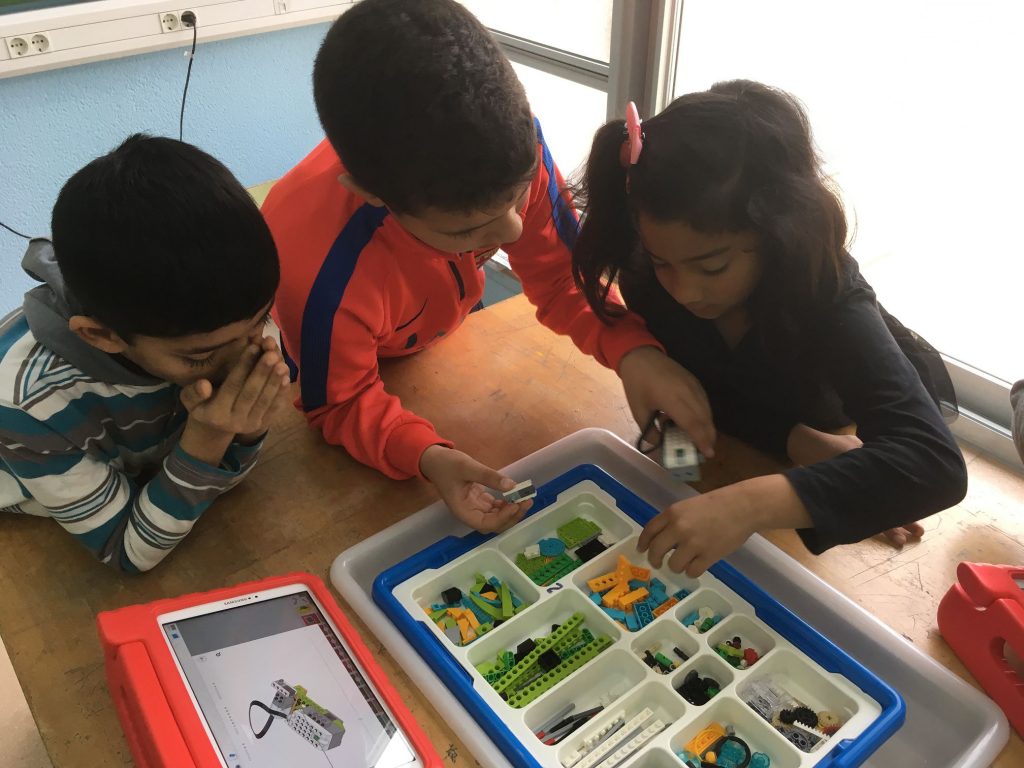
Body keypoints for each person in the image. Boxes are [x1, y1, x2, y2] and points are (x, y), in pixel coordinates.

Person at [264, 0, 679, 532]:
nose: (512, 231)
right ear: (372, 195)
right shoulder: (316, 273)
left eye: (519, 196)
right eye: (467, 232)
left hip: (438, 330)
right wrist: (427, 455)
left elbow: (561, 276)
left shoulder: (507, 150)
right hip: (348, 351)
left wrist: (634, 351)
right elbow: (340, 403)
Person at [571, 80, 967, 574]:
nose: (685, 291)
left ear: (778, 233)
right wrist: (798, 444)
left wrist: (752, 504)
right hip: (762, 437)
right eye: (662, 261)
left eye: (713, 267)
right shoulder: (649, 274)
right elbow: (697, 394)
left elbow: (934, 464)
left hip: (826, 413)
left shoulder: (825, 293)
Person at [0, 135, 289, 572]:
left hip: (135, 474)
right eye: (200, 357)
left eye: (261, 320)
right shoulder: (29, 404)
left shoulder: (222, 319)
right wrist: (210, 438)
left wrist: (245, 429)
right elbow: (126, 551)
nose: (243, 359)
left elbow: (214, 485)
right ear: (101, 336)